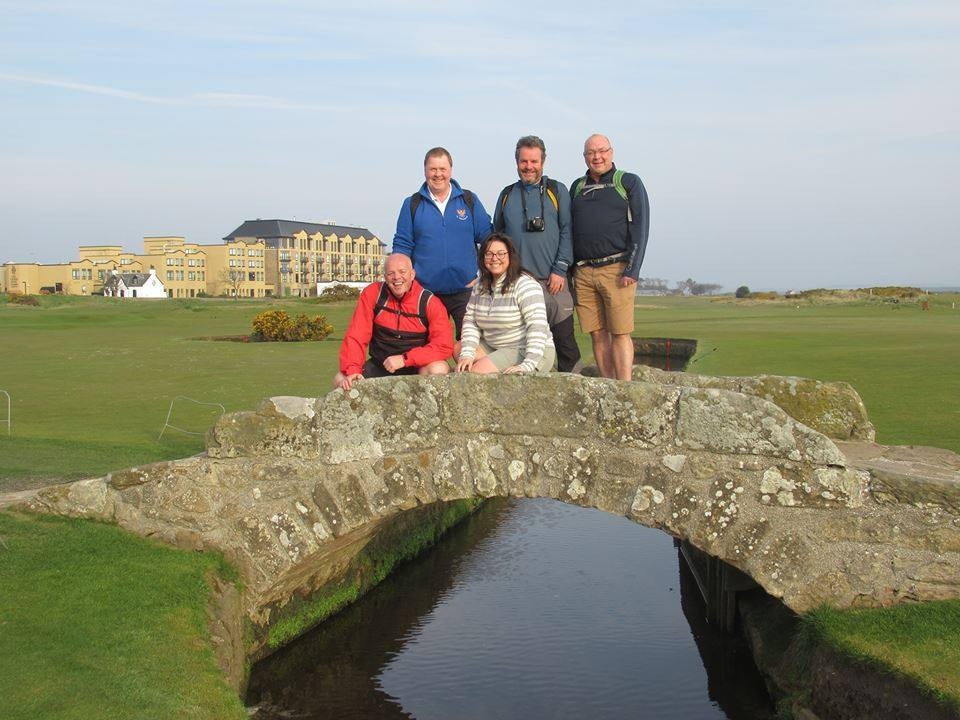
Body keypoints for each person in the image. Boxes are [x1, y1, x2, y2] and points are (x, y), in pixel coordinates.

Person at [492, 135, 581, 372]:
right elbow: (497, 239)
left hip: (554, 282)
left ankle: (574, 399)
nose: (528, 167)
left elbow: (567, 231)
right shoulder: (507, 195)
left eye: (534, 161)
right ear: (516, 162)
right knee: (521, 346)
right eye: (524, 161)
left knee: (566, 344)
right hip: (517, 284)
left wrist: (560, 269)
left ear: (543, 161)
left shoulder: (557, 190)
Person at [569, 133, 650, 380]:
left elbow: (641, 227)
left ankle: (624, 387)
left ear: (611, 152)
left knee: (620, 332)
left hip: (617, 269)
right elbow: (570, 229)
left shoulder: (628, 182)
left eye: (602, 151)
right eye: (591, 153)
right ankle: (607, 384)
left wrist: (632, 269)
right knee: (596, 333)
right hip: (583, 272)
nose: (597, 157)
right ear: (584, 157)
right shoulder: (577, 187)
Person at [392, 147, 493, 338]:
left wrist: (485, 275)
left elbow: (489, 240)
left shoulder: (468, 200)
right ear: (425, 171)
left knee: (469, 348)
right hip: (427, 293)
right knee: (430, 349)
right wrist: (404, 280)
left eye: (442, 169)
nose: (438, 174)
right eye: (433, 169)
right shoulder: (411, 204)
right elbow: (402, 247)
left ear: (451, 170)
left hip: (466, 291)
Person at [333, 253, 453, 390]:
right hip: (380, 364)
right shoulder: (373, 294)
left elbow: (443, 345)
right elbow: (356, 335)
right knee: (341, 379)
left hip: (417, 366)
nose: (397, 277)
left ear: (412, 274)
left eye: (402, 272)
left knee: (438, 369)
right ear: (385, 277)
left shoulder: (430, 302)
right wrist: (353, 370)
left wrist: (405, 359)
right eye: (391, 273)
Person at [456, 233, 555, 374]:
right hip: (496, 346)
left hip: (526, 349)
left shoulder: (525, 284)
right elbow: (471, 321)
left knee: (477, 372)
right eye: (489, 254)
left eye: (501, 253)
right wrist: (467, 354)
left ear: (510, 256)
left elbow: (536, 327)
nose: (494, 258)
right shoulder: (479, 286)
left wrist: (528, 364)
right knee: (459, 351)